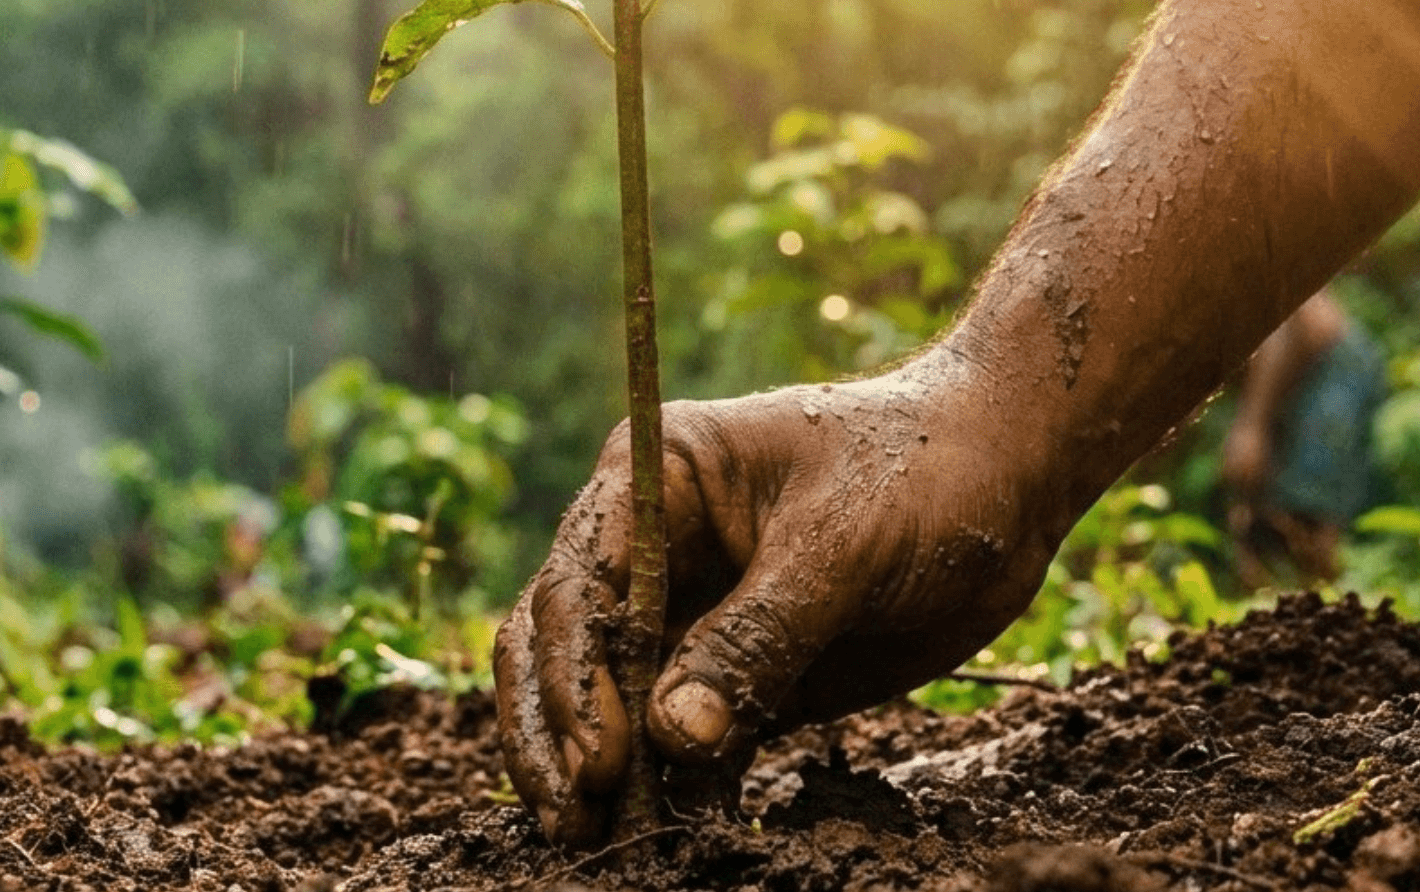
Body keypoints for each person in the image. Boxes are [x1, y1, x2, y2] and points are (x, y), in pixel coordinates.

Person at [496, 0, 1420, 847]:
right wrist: (992, 413)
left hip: (1336, 386)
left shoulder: (1326, 333)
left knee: (1305, 521)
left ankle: (1319, 578)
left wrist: (1245, 426)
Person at [1222, 290, 1387, 587]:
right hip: (1311, 372)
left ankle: (1321, 601)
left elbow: (1287, 325)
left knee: (1303, 517)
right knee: (1271, 512)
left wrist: (1252, 424)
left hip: (1330, 364)